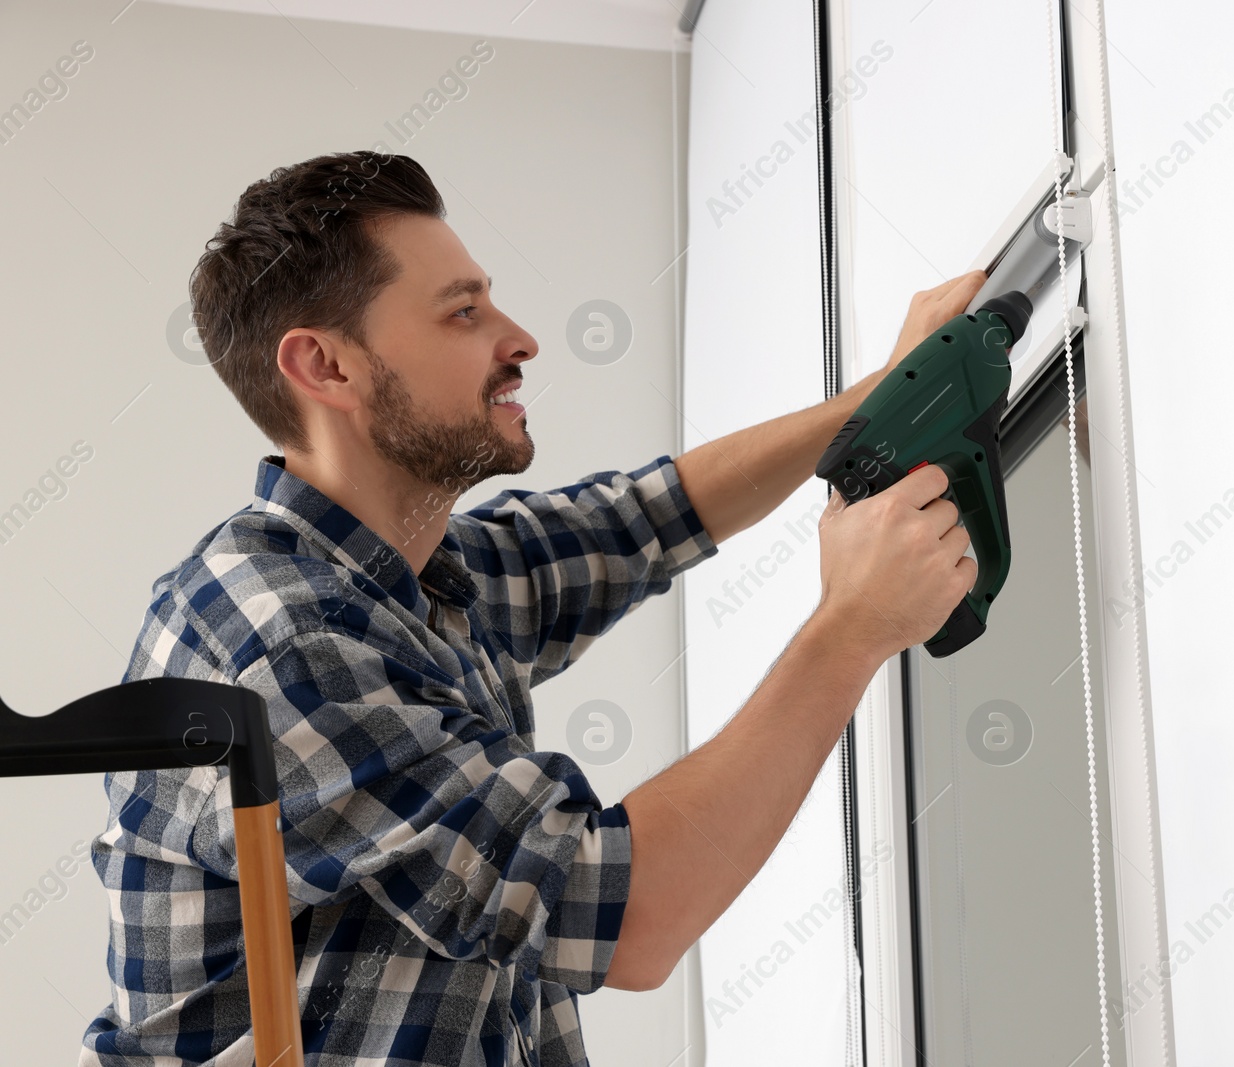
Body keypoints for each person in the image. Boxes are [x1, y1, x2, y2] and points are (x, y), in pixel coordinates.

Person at [79, 150, 983, 1067]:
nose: (519, 339)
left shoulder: (419, 574)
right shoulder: (280, 638)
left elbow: (648, 515)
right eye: (463, 311)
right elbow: (623, 911)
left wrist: (878, 400)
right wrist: (853, 631)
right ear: (326, 366)